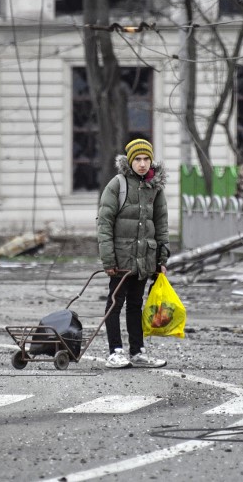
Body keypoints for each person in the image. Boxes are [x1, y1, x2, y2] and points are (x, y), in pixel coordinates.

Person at [97, 138, 169, 369]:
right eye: (137, 159)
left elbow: (161, 224)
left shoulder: (154, 188)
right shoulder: (117, 185)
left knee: (136, 304)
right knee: (114, 303)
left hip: (144, 259)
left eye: (146, 158)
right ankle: (114, 351)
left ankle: (137, 352)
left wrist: (161, 259)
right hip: (121, 258)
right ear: (130, 160)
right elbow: (104, 223)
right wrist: (108, 259)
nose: (142, 163)